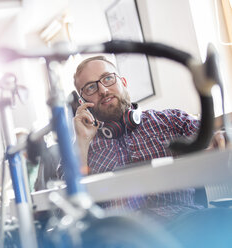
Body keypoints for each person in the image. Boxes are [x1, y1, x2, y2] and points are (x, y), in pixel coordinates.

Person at [62, 55, 226, 222]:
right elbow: (67, 201)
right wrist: (81, 142)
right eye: (91, 88)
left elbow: (209, 137)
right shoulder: (84, 145)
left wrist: (220, 139)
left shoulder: (171, 120)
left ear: (123, 82)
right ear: (83, 102)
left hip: (184, 221)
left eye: (108, 78)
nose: (103, 90)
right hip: (122, 234)